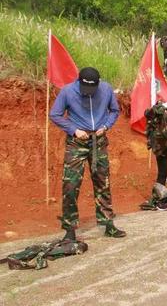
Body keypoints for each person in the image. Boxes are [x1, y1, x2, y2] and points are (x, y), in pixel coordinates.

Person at [49, 67, 126, 240]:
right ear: (79, 82)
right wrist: (73, 129)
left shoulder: (106, 89)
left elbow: (114, 110)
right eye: (85, 88)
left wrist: (105, 126)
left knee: (103, 183)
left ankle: (108, 224)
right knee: (70, 185)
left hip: (98, 142)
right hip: (77, 142)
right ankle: (69, 230)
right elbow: (55, 114)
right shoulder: (68, 91)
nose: (89, 92)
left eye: (93, 89)